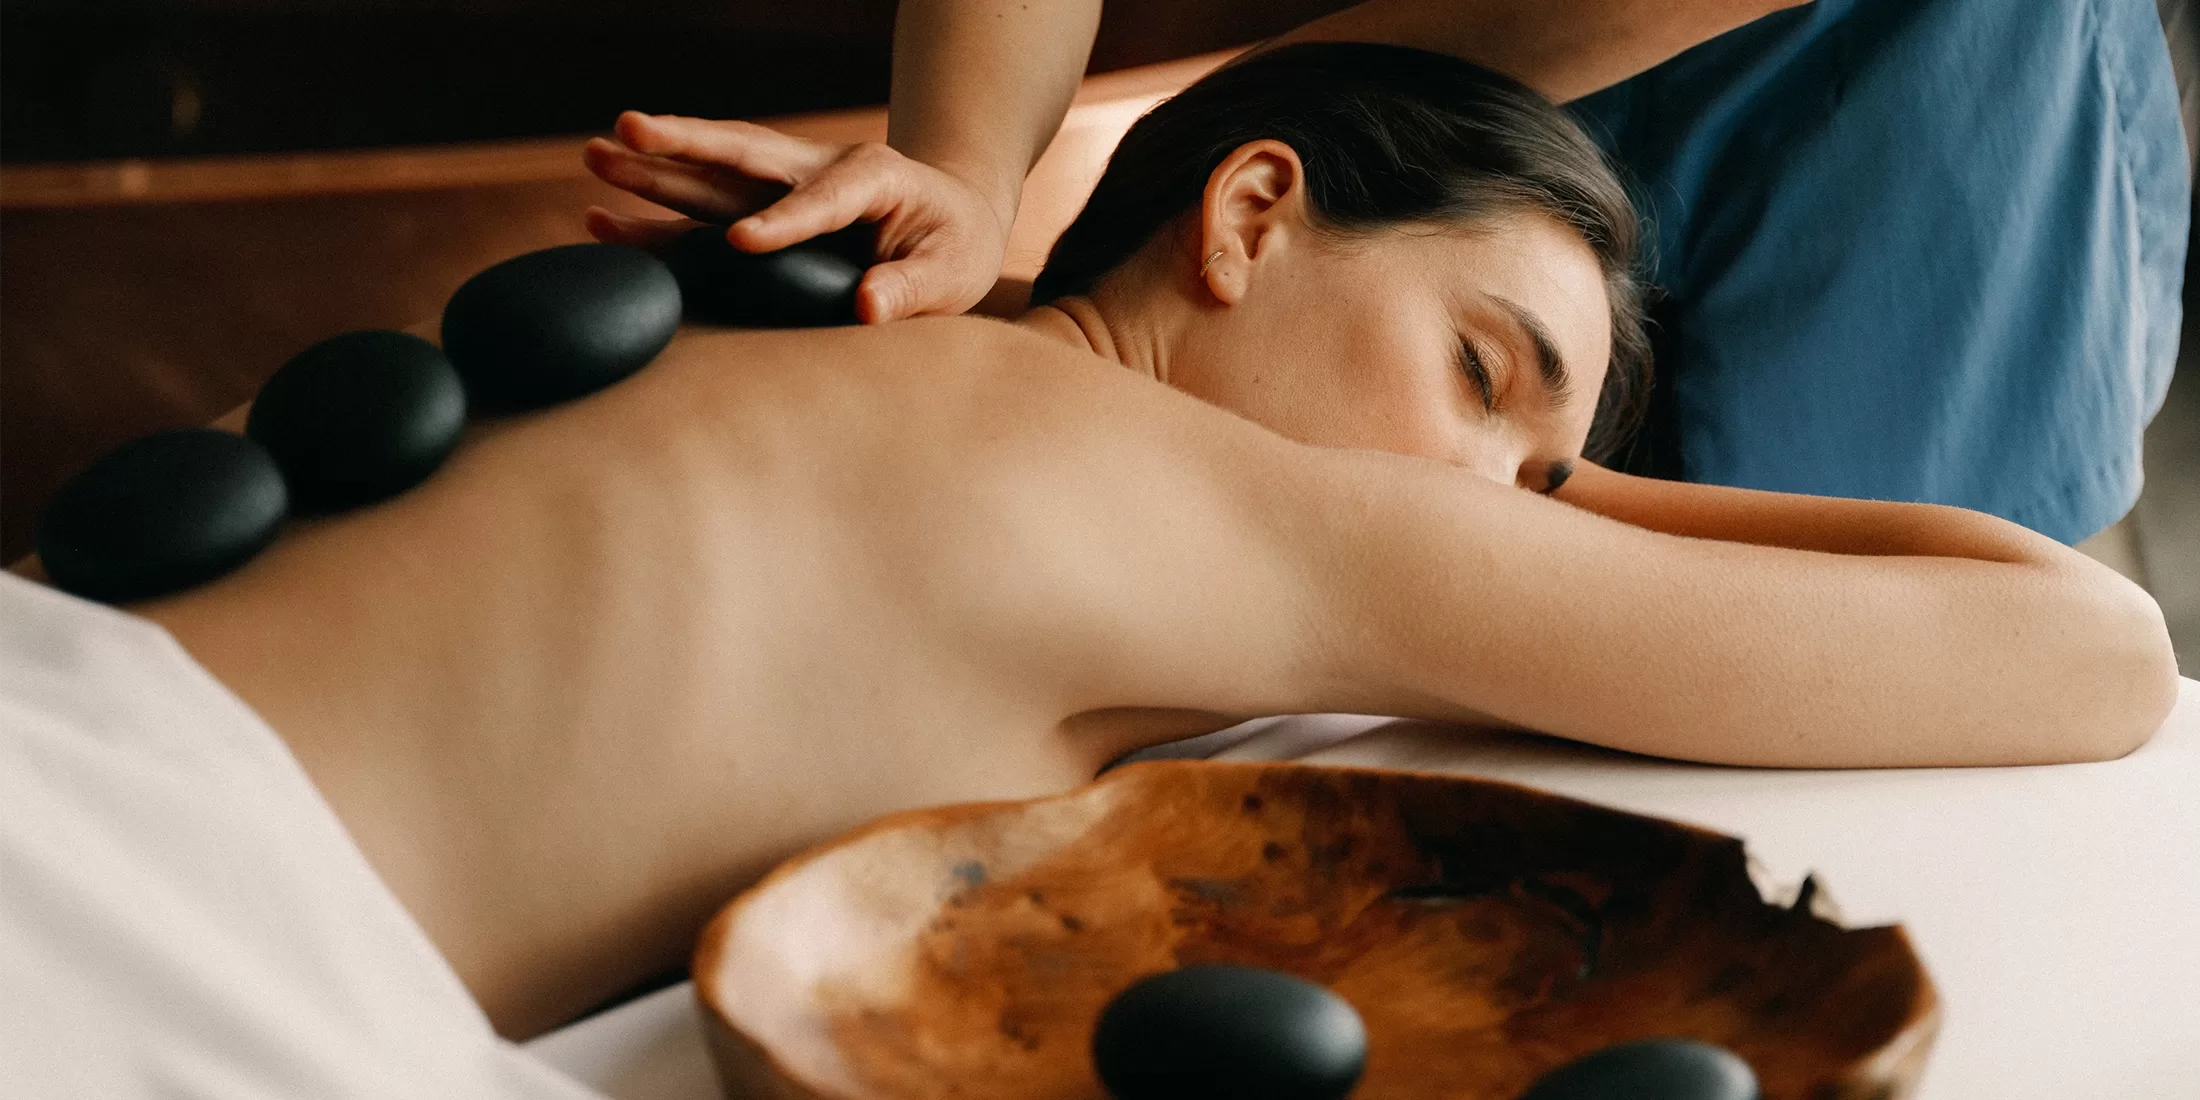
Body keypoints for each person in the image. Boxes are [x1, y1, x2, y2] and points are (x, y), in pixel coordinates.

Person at [4, 46, 2163, 1072]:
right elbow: (2079, 648)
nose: (1480, 480)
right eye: (1481, 366)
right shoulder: (1160, 484)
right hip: (134, 925)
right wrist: (1554, 509)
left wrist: (1509, 467)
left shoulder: (754, 324)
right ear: (1243, 216)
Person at [584, 0, 2189, 548]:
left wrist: (1191, 152)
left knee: (1833, 708)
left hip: (1906, 103)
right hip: (1379, 129)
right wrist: (964, 168)